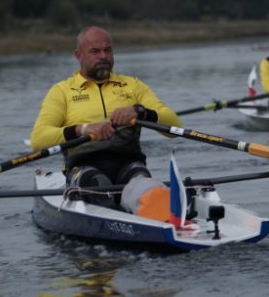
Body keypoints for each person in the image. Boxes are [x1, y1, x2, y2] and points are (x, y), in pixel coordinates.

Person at [29, 26, 181, 210]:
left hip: (129, 165)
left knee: (146, 189)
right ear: (78, 55)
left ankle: (161, 211)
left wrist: (140, 112)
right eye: (95, 51)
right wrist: (82, 129)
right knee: (98, 186)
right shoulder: (61, 91)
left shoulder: (133, 86)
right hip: (83, 168)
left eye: (107, 50)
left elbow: (175, 127)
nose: (103, 56)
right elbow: (38, 140)